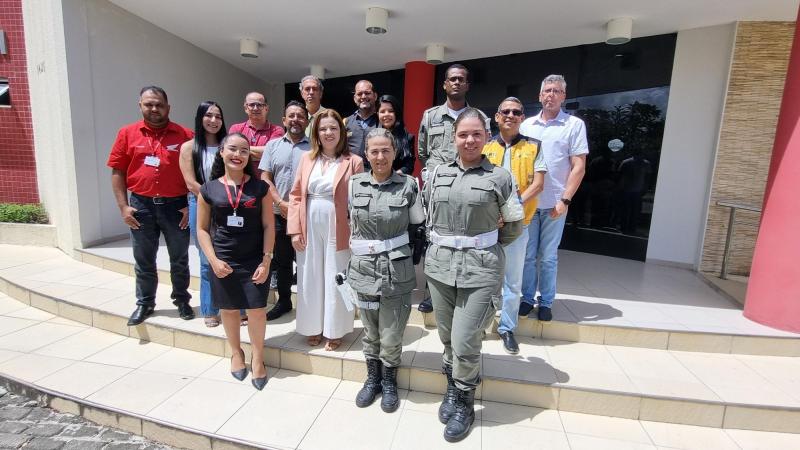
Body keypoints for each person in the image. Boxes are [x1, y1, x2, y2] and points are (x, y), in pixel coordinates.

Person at [425, 108, 524, 442]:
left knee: (466, 339)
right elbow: (429, 216)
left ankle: (465, 403)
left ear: (486, 137)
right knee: (447, 336)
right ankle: (453, 388)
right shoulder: (438, 174)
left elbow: (514, 225)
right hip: (440, 269)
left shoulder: (501, 177)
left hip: (481, 270)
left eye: (476, 134)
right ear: (453, 138)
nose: (469, 140)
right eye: (463, 134)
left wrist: (484, 247)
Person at [349, 128, 425, 413]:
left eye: (386, 151)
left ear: (395, 153)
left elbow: (417, 221)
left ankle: (390, 381)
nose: (380, 156)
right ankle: (373, 379)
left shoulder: (408, 185)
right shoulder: (354, 184)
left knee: (392, 332)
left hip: (396, 270)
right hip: (364, 270)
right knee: (370, 330)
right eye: (374, 151)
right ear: (366, 154)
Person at [107, 86, 195, 326]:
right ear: (140, 106)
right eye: (149, 104)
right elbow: (118, 172)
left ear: (168, 107)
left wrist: (190, 204)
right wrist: (123, 207)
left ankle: (182, 300)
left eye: (159, 104)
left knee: (179, 258)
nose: (154, 109)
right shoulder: (127, 133)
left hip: (176, 206)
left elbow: (196, 172)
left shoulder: (185, 135)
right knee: (144, 259)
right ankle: (145, 303)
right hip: (141, 206)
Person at [195, 133, 275, 391]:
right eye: (232, 149)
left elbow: (269, 226)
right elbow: (202, 229)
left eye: (244, 150)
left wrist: (266, 260)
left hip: (254, 258)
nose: (237, 155)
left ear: (249, 156)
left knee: (257, 310)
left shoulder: (260, 188)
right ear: (221, 152)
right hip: (223, 259)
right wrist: (213, 260)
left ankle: (258, 357)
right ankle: (236, 352)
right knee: (229, 310)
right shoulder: (208, 189)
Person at [416, 64, 490, 313]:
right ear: (445, 84)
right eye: (452, 79)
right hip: (438, 186)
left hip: (469, 183)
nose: (456, 82)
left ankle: (463, 287)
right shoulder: (430, 116)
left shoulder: (479, 117)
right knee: (434, 238)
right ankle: (432, 293)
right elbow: (423, 152)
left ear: (467, 85)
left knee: (465, 236)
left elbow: (485, 150)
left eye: (461, 79)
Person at [288, 109, 364, 351]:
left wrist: (356, 233)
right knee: (309, 274)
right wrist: (295, 230)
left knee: (337, 275)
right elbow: (296, 195)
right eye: (323, 129)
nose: (328, 132)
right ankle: (312, 327)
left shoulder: (354, 161)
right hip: (309, 220)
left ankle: (336, 329)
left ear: (341, 132)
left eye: (333, 128)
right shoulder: (306, 159)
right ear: (316, 133)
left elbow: (360, 199)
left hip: (339, 224)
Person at [519, 75, 588, 322]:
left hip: (555, 205)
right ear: (540, 96)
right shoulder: (526, 125)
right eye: (547, 90)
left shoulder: (574, 125)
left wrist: (565, 200)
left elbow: (578, 167)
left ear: (563, 96)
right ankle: (527, 299)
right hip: (529, 203)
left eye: (556, 91)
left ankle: (546, 302)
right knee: (527, 256)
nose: (551, 95)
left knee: (548, 257)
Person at [482, 97, 546, 354]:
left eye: (516, 112)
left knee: (513, 280)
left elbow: (538, 184)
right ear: (497, 117)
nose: (510, 115)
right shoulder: (486, 147)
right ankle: (481, 323)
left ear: (522, 117)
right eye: (505, 111)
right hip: (487, 225)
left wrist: (510, 208)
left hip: (519, 224)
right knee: (486, 277)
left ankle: (507, 327)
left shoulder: (534, 146)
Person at [259, 101, 311, 321]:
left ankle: (310, 306)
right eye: (291, 116)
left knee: (307, 262)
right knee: (282, 261)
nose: (296, 120)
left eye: (300, 116)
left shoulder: (315, 147)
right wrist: (280, 202)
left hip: (306, 215)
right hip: (278, 213)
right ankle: (284, 301)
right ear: (284, 120)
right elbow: (265, 177)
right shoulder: (272, 146)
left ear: (306, 121)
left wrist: (297, 207)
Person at [179, 101, 227, 327]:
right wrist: (212, 198)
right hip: (200, 203)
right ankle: (210, 309)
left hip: (227, 204)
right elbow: (190, 182)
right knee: (207, 258)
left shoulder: (227, 145)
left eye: (218, 116)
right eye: (209, 116)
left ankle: (236, 307)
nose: (214, 121)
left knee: (231, 254)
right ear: (200, 118)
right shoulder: (189, 147)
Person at [228, 92, 284, 171]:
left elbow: (273, 154)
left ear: (266, 108)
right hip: (240, 177)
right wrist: (262, 154)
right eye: (252, 105)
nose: (255, 108)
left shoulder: (277, 130)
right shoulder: (236, 128)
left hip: (264, 178)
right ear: (246, 108)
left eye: (259, 105)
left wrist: (242, 151)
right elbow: (231, 152)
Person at [377, 94, 415, 175]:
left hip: (398, 179)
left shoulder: (408, 138)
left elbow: (409, 165)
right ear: (378, 114)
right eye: (382, 111)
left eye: (391, 111)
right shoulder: (372, 137)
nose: (386, 114)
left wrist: (394, 176)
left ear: (396, 113)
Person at [344, 80, 378, 168]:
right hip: (352, 171)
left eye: (367, 93)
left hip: (376, 172)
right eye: (359, 94)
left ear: (375, 96)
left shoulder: (383, 120)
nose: (363, 96)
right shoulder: (346, 122)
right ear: (355, 98)